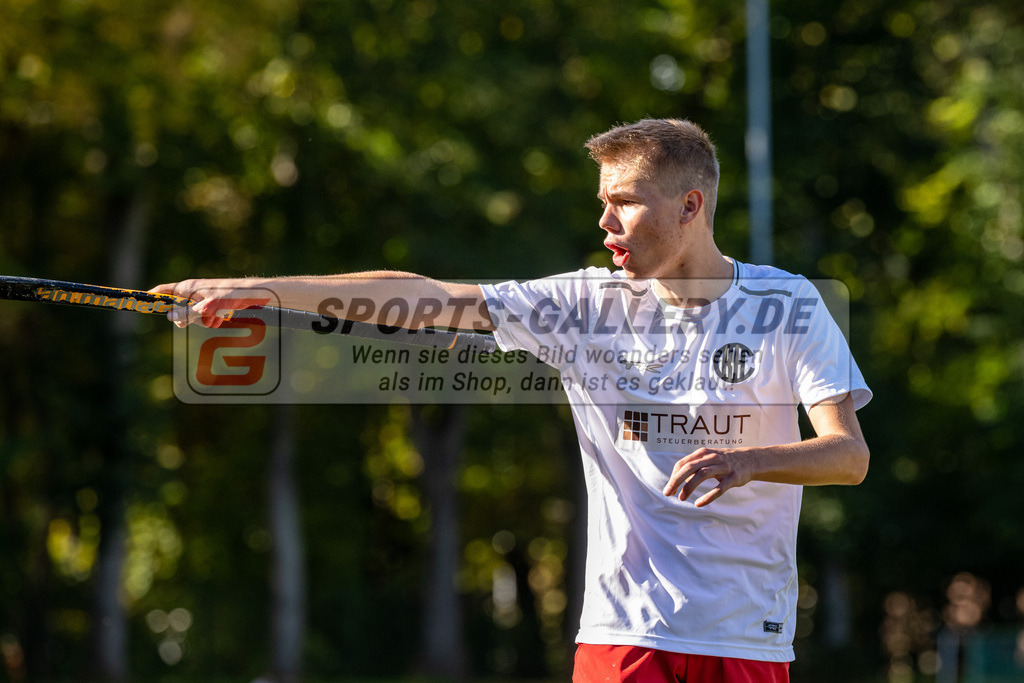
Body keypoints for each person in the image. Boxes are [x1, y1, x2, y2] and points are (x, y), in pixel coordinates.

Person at [153, 118, 870, 682]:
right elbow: (428, 297)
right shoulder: (582, 303)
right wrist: (261, 291)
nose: (606, 223)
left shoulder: (788, 304)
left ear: (690, 206)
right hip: (622, 634)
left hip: (743, 632)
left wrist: (748, 462)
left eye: (625, 202)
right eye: (602, 203)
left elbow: (847, 455)